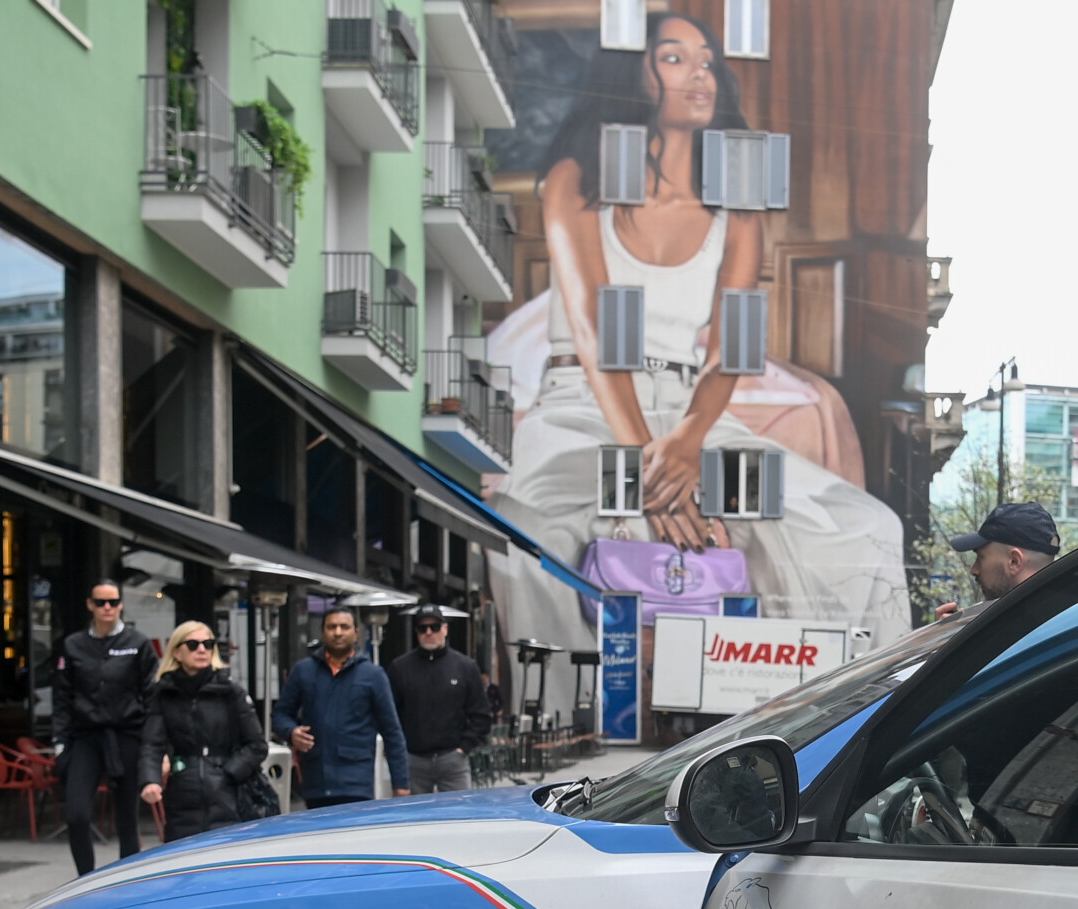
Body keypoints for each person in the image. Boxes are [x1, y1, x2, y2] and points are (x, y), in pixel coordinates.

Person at [493, 11, 909, 641]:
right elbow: (599, 332)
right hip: (586, 406)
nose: (700, 76)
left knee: (867, 527)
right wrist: (651, 476)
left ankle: (849, 716)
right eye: (673, 58)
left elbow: (732, 348)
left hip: (695, 421)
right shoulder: (577, 180)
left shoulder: (736, 209)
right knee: (524, 527)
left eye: (707, 61)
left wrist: (688, 443)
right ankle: (570, 720)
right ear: (634, 73)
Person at [50, 579, 153, 875]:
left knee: (127, 818)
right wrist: (60, 744)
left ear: (121, 604)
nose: (107, 608)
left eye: (113, 602)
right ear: (90, 605)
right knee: (77, 814)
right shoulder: (73, 645)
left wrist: (152, 744)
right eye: (100, 602)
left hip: (127, 735)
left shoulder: (137, 644)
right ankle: (85, 878)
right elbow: (62, 697)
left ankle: (127, 880)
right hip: (87, 736)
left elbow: (150, 697)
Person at [138, 621, 266, 843]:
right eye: (193, 644)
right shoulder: (164, 694)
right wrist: (150, 780)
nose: (201, 649)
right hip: (183, 791)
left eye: (208, 644)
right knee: (183, 862)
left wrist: (227, 773)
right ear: (177, 651)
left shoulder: (230, 691)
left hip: (230, 794)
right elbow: (152, 743)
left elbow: (257, 745)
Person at [274, 605, 410, 808]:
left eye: (344, 627)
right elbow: (280, 715)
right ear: (323, 632)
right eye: (332, 627)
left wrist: (401, 784)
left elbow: (392, 732)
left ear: (356, 633)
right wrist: (291, 732)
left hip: (356, 785)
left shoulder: (373, 675)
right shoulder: (304, 671)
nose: (337, 632)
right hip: (315, 783)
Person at [385, 611, 493, 793]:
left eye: (434, 627)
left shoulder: (466, 667)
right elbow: (390, 715)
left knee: (459, 817)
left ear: (445, 629)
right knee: (415, 819)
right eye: (422, 628)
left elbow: (481, 714)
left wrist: (464, 747)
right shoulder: (399, 668)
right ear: (416, 631)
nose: (428, 632)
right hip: (413, 760)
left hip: (452, 759)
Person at [936, 501, 1060, 616]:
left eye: (980, 557)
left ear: (1014, 561)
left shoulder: (1014, 632)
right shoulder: (1062, 619)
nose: (974, 570)